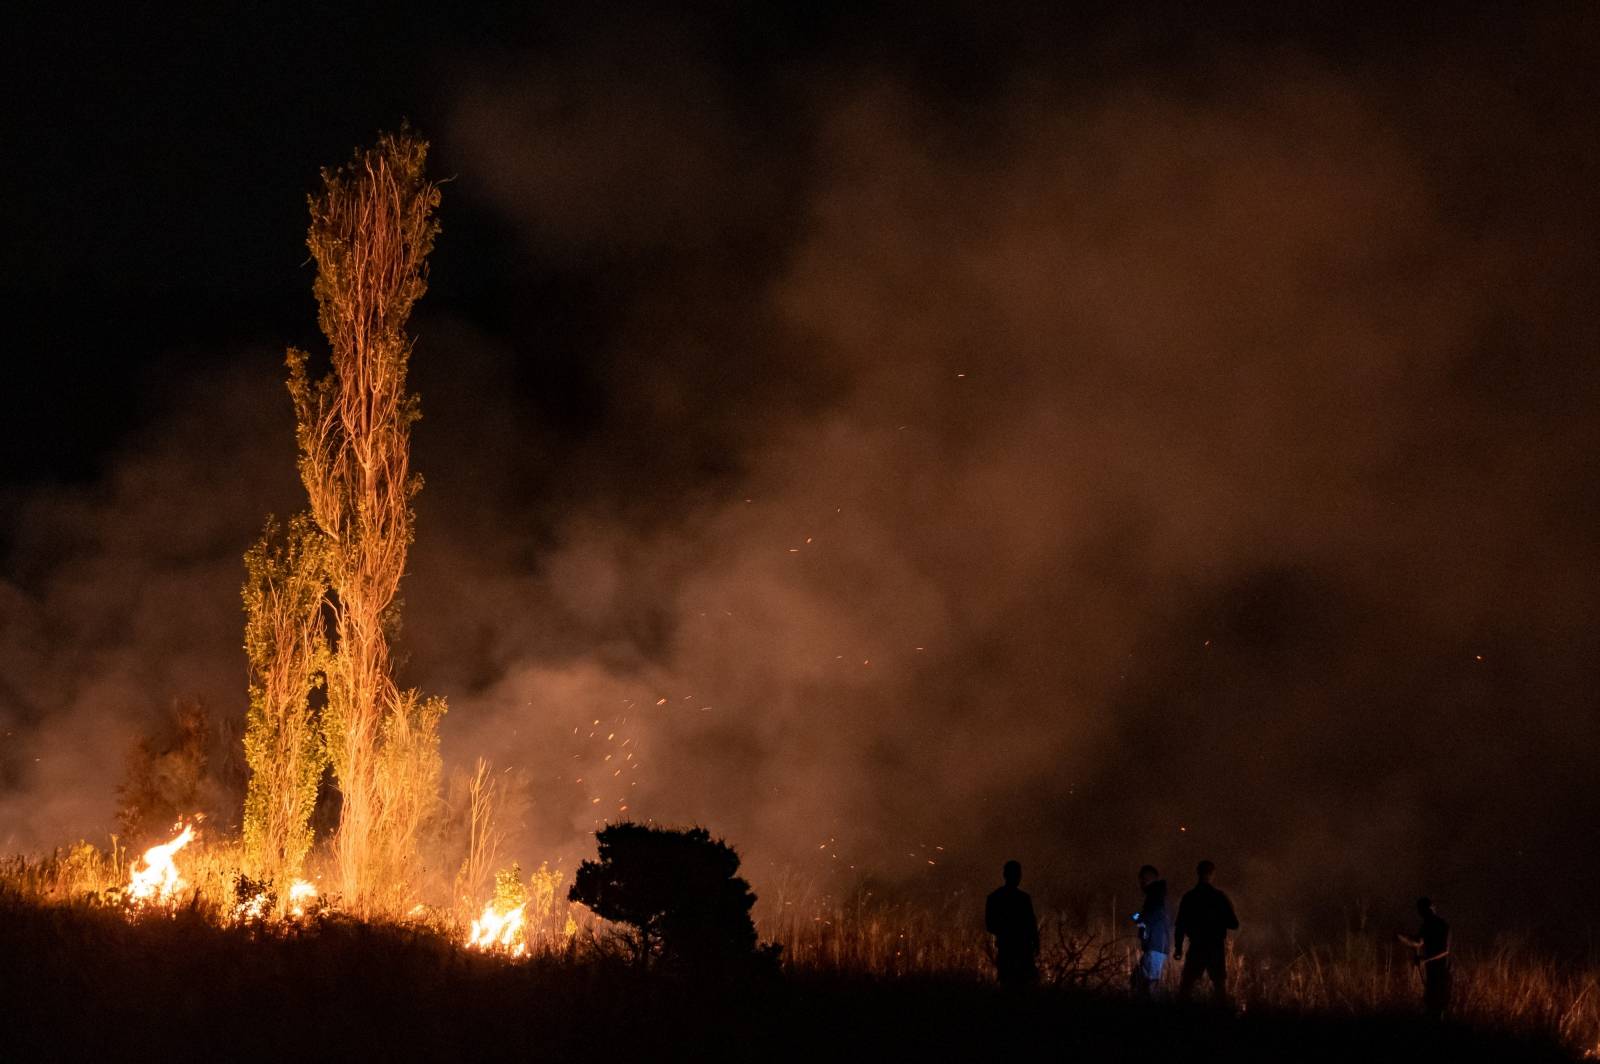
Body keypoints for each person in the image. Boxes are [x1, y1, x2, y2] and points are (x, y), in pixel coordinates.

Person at [1173, 859, 1239, 1003]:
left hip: (1197, 946)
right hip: (1215, 947)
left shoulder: (1189, 897)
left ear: (1198, 873)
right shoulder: (1219, 897)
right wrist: (1219, 918)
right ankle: (1220, 1016)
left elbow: (1180, 926)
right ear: (1212, 874)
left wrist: (1178, 948)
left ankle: (1179, 1015)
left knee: (1187, 986)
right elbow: (1234, 924)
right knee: (1219, 986)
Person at [985, 860, 1040, 986]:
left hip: (1008, 950)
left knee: (1009, 985)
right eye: (1016, 874)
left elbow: (990, 925)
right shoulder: (1023, 898)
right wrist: (1035, 942)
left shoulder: (994, 897)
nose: (1017, 877)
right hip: (1020, 950)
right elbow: (1031, 924)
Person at [1397, 897, 1451, 1019]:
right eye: (1421, 912)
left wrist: (1424, 959)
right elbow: (1418, 942)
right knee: (1430, 1003)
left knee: (1439, 1005)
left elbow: (1445, 950)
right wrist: (1403, 939)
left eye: (1424, 911)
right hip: (1431, 972)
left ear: (1432, 908)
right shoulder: (1426, 926)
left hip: (1442, 972)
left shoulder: (1443, 926)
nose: (1422, 914)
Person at [1130, 864, 1171, 1001]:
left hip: (1155, 946)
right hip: (1155, 946)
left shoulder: (1155, 895)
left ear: (1146, 879)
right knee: (1140, 980)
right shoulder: (1157, 894)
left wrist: (1138, 918)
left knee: (1148, 983)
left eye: (1141, 880)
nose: (1140, 884)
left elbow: (1151, 917)